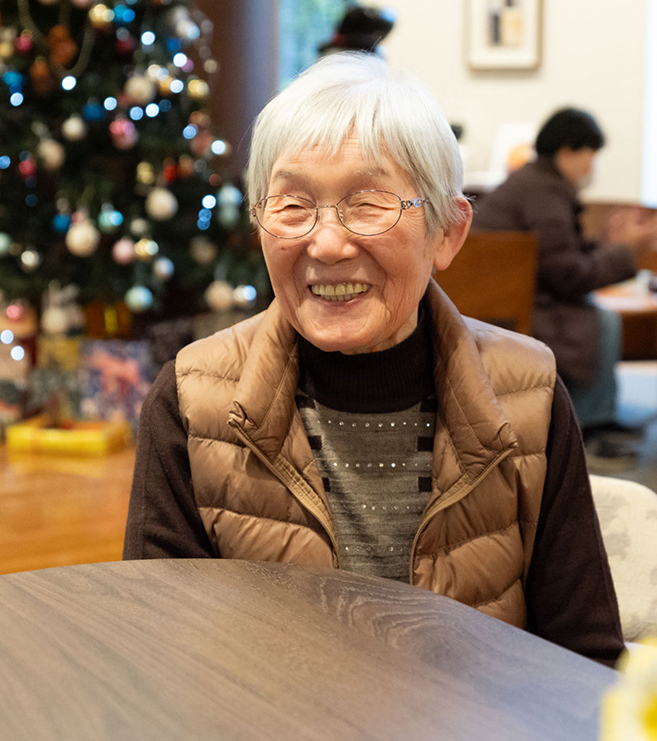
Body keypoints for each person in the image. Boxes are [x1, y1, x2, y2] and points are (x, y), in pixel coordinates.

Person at [125, 56, 623, 665]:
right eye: (292, 205)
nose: (327, 242)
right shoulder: (192, 400)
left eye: (367, 203)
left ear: (448, 231)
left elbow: (586, 662)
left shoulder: (529, 395)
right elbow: (156, 661)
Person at [472, 107, 657, 461]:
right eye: (589, 154)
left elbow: (561, 260)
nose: (591, 166)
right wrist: (624, 250)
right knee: (600, 319)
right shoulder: (543, 190)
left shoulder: (536, 182)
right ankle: (589, 425)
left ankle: (595, 417)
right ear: (567, 151)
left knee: (597, 315)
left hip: (505, 298)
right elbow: (568, 277)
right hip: (508, 307)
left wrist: (613, 245)